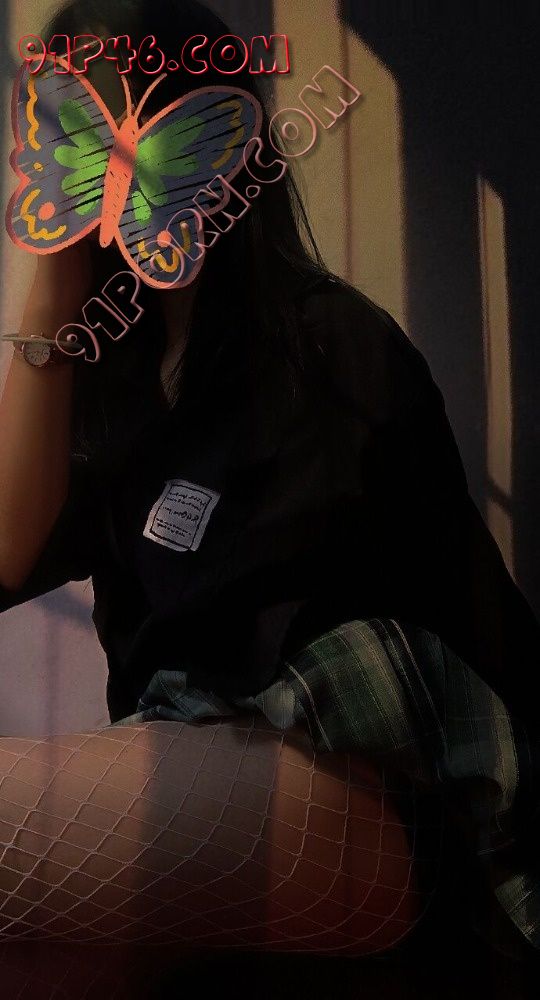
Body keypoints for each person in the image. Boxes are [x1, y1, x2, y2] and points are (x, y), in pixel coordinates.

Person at [1, 0, 540, 958]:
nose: (106, 165)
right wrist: (50, 287)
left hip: (369, 781)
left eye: (125, 120)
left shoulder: (328, 344)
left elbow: (276, 649)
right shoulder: (122, 387)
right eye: (65, 126)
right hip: (210, 758)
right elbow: (6, 557)